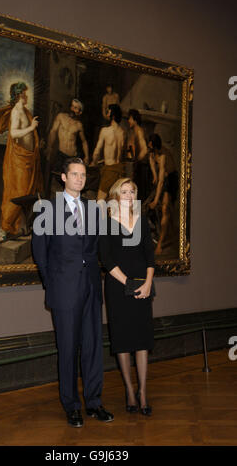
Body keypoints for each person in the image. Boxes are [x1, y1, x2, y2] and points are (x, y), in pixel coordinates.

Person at [32, 157, 114, 428]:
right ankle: (71, 405)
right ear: (64, 178)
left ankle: (94, 402)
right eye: (75, 174)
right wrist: (52, 283)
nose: (80, 178)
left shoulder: (92, 209)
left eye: (83, 175)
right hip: (64, 289)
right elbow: (40, 252)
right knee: (67, 349)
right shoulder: (48, 209)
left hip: (91, 286)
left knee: (92, 346)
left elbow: (98, 248)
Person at [99, 178, 155, 415]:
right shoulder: (106, 223)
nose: (129, 195)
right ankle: (130, 391)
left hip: (143, 287)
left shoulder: (142, 222)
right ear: (115, 195)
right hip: (118, 288)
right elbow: (106, 259)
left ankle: (143, 392)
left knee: (142, 340)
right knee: (122, 341)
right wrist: (129, 283)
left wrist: (149, 283)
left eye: (132, 191)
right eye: (124, 191)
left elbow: (150, 257)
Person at [0, 82, 43, 240]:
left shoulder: (25, 110)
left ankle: (17, 228)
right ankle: (4, 228)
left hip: (28, 158)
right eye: (24, 93)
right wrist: (31, 128)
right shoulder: (17, 112)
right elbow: (13, 133)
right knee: (19, 193)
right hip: (19, 159)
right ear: (18, 95)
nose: (27, 96)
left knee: (28, 192)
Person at [148, 133, 179, 255]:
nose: (149, 149)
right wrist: (154, 175)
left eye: (151, 147)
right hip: (163, 178)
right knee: (167, 211)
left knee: (165, 208)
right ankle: (170, 234)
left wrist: (155, 201)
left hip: (171, 180)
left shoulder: (163, 157)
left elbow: (161, 181)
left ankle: (160, 244)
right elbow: (150, 160)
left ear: (155, 146)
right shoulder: (152, 152)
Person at [90, 104, 125, 201]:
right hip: (120, 170)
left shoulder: (105, 131)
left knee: (100, 201)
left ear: (113, 116)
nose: (107, 114)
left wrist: (94, 162)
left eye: (109, 111)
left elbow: (97, 151)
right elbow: (120, 154)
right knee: (111, 203)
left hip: (110, 171)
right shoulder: (122, 132)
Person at [127, 109, 156, 202]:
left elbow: (144, 149)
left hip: (141, 169)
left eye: (130, 119)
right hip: (138, 167)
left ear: (135, 120)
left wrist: (137, 160)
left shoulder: (139, 131)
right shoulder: (135, 131)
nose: (128, 121)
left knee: (138, 197)